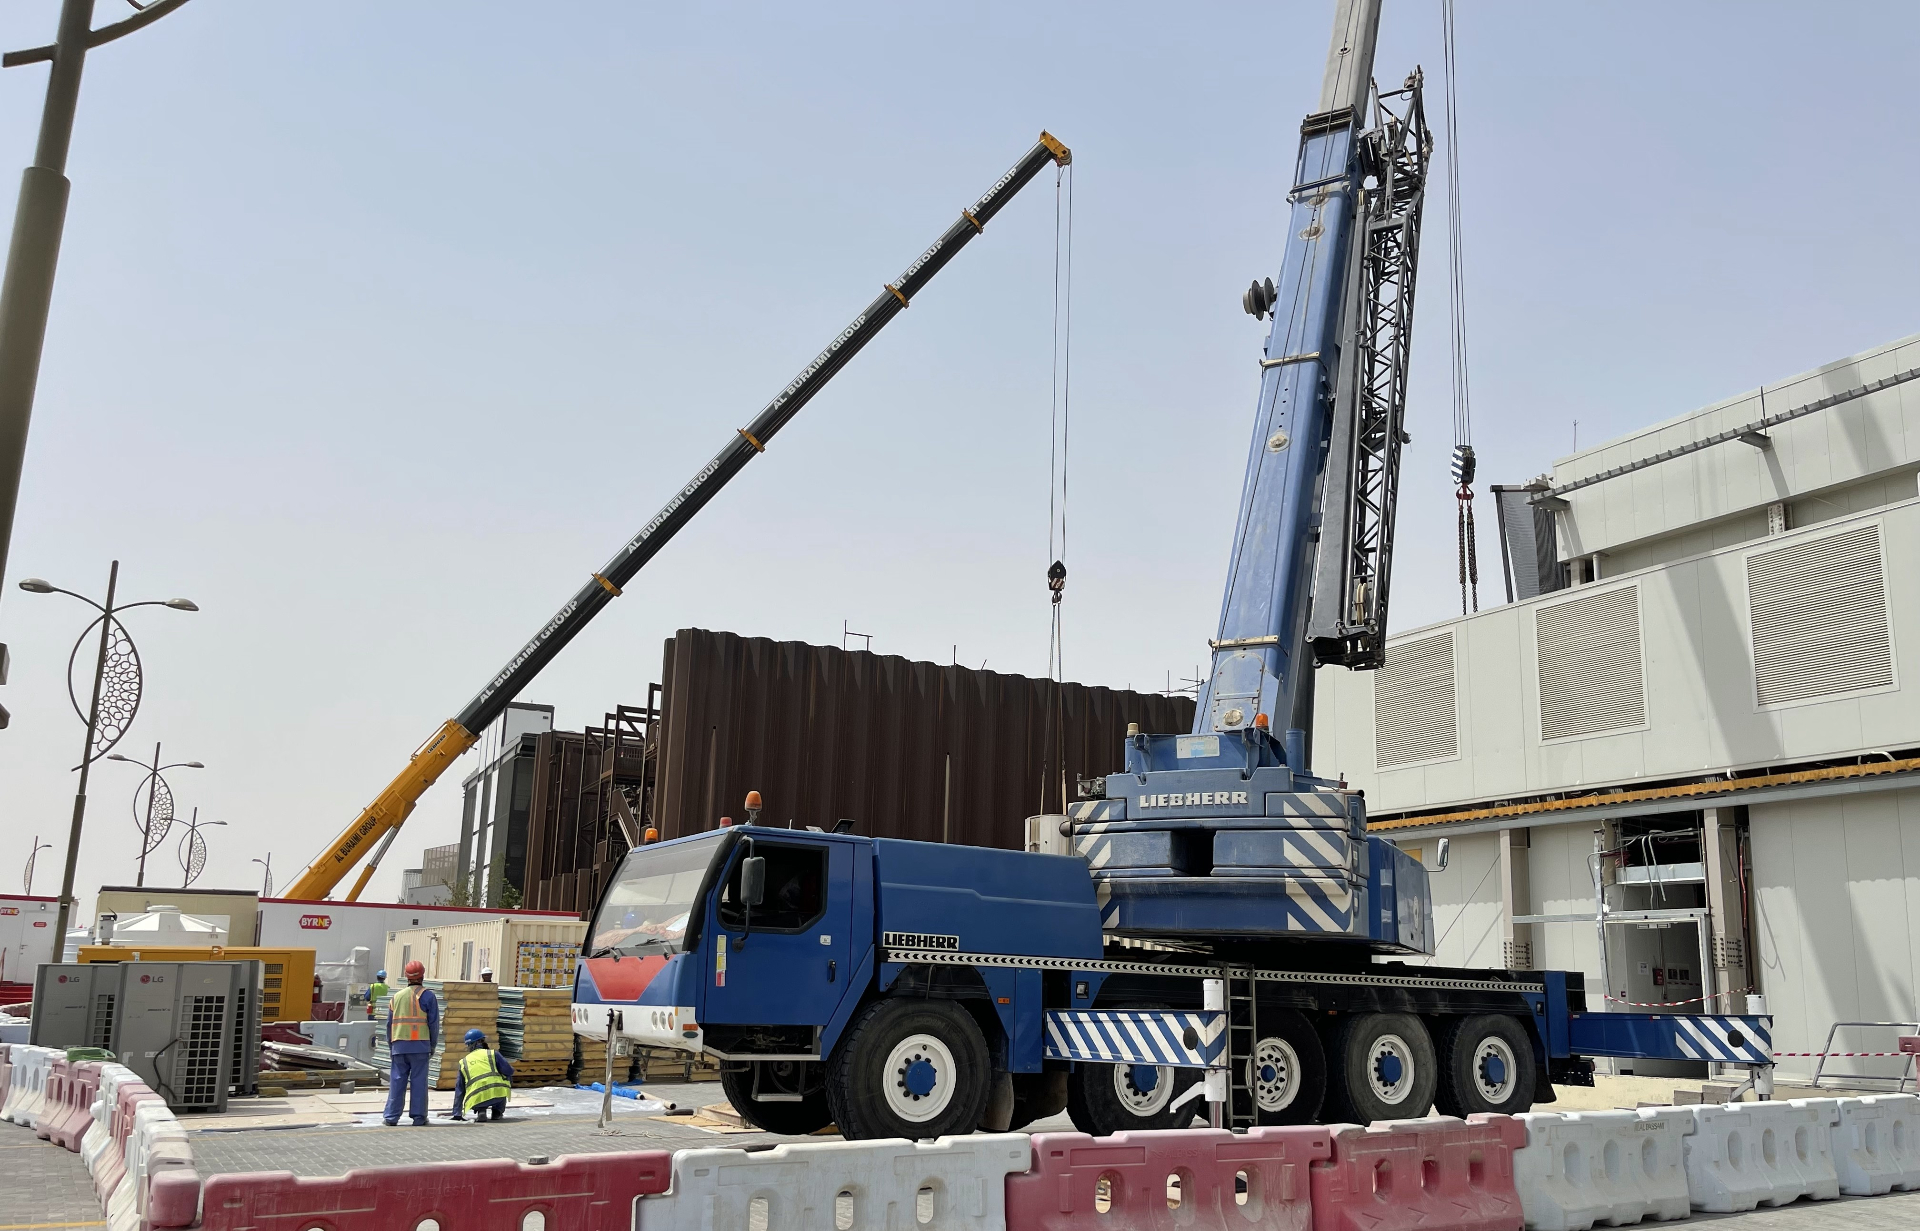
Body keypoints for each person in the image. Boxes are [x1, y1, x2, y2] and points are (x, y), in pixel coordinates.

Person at [381, 960, 438, 1126]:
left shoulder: (396, 997)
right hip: (420, 1045)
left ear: (406, 976)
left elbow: (388, 1025)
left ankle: (391, 1117)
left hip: (399, 1044)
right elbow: (433, 1024)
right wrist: (432, 1045)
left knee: (397, 1080)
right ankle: (419, 1117)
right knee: (419, 1081)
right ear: (423, 975)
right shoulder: (428, 996)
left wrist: (391, 1045)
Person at [450, 1028, 514, 1122]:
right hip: (497, 1095)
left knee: (472, 1090)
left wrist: (457, 1114)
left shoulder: (463, 1062)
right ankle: (497, 1111)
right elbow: (509, 1071)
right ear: (481, 1041)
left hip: (476, 1099)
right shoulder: (492, 1054)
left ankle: (481, 1110)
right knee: (506, 1076)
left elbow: (459, 1089)